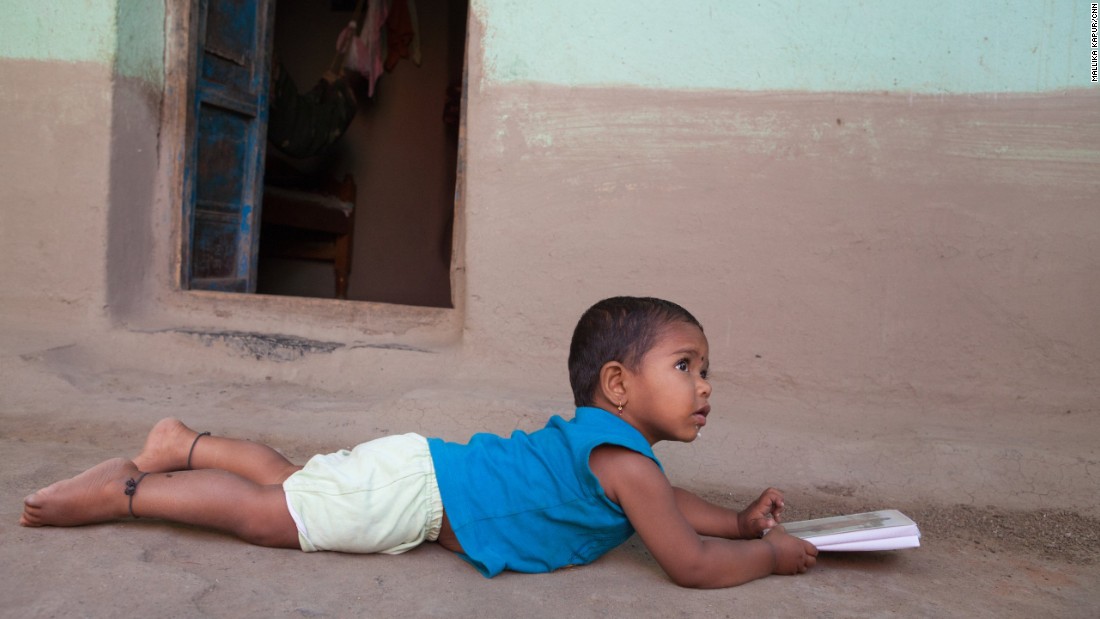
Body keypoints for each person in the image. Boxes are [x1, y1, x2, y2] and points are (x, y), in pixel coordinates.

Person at [19, 297, 817, 588]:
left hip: (421, 469)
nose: (705, 384)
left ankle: (185, 442)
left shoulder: (620, 456)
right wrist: (769, 556)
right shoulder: (621, 457)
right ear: (617, 385)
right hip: (418, 492)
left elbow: (671, 510)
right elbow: (689, 562)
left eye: (704, 369)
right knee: (275, 515)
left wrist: (741, 521)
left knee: (301, 483)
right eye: (686, 366)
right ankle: (126, 490)